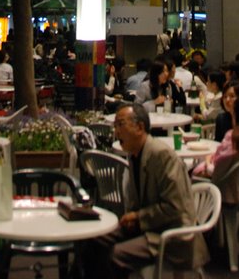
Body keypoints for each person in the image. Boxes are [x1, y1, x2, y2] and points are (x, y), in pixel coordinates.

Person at [82, 103, 208, 279]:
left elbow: (175, 207)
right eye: (115, 126)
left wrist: (138, 217)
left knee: (115, 256)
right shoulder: (134, 154)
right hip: (147, 225)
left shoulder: (161, 155)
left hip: (172, 234)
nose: (116, 133)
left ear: (140, 127)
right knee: (92, 240)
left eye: (121, 125)